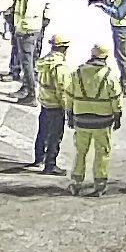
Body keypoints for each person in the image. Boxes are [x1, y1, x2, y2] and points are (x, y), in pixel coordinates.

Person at [64, 40, 125, 195]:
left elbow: (69, 95)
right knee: (102, 152)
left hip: (81, 119)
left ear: (92, 55)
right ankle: (100, 183)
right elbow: (116, 99)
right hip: (103, 122)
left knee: (80, 152)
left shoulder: (77, 73)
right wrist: (117, 116)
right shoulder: (110, 76)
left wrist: (69, 114)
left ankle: (76, 182)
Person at [30, 33, 74, 173]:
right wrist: (68, 108)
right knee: (55, 136)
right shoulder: (60, 67)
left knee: (42, 132)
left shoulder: (44, 62)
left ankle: (39, 158)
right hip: (56, 106)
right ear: (64, 48)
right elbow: (63, 91)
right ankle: (50, 165)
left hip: (45, 103)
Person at [8, 0, 49, 92]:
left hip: (27, 30)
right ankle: (27, 87)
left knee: (27, 62)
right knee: (27, 61)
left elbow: (27, 14)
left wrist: (19, 30)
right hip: (29, 29)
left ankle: (29, 90)